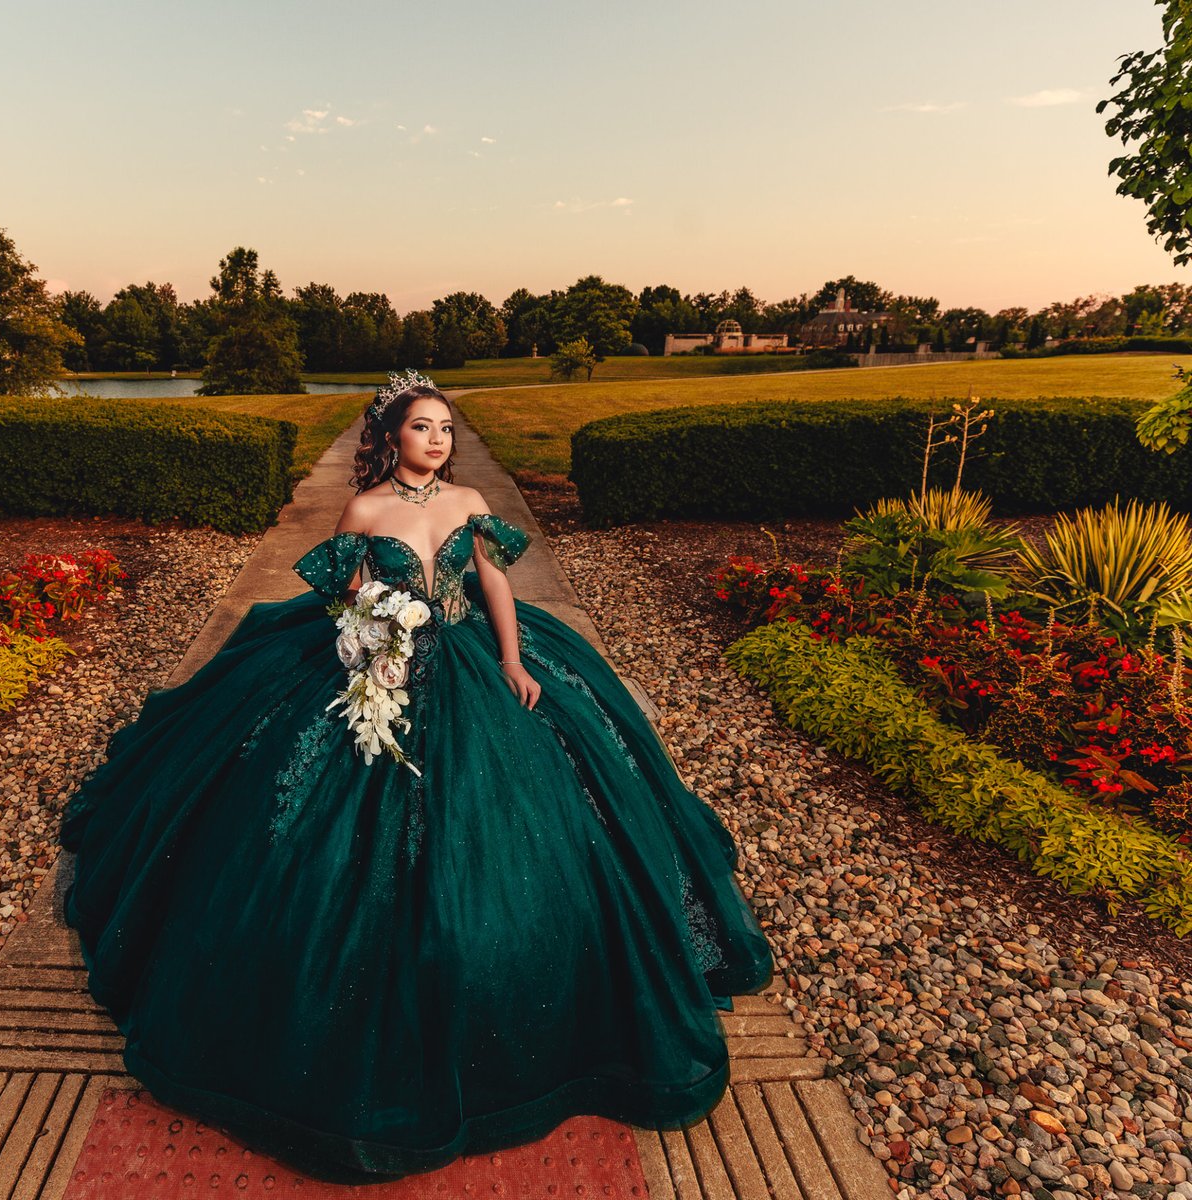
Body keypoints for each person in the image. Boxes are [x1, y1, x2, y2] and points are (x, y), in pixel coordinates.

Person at [58, 369, 776, 1183]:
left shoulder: (470, 503)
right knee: (309, 807)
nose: (437, 441)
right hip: (386, 662)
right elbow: (348, 599)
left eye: (445, 429)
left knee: (553, 805)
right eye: (421, 428)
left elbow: (493, 579)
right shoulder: (364, 509)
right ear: (390, 437)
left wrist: (512, 660)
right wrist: (373, 652)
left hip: (472, 653)